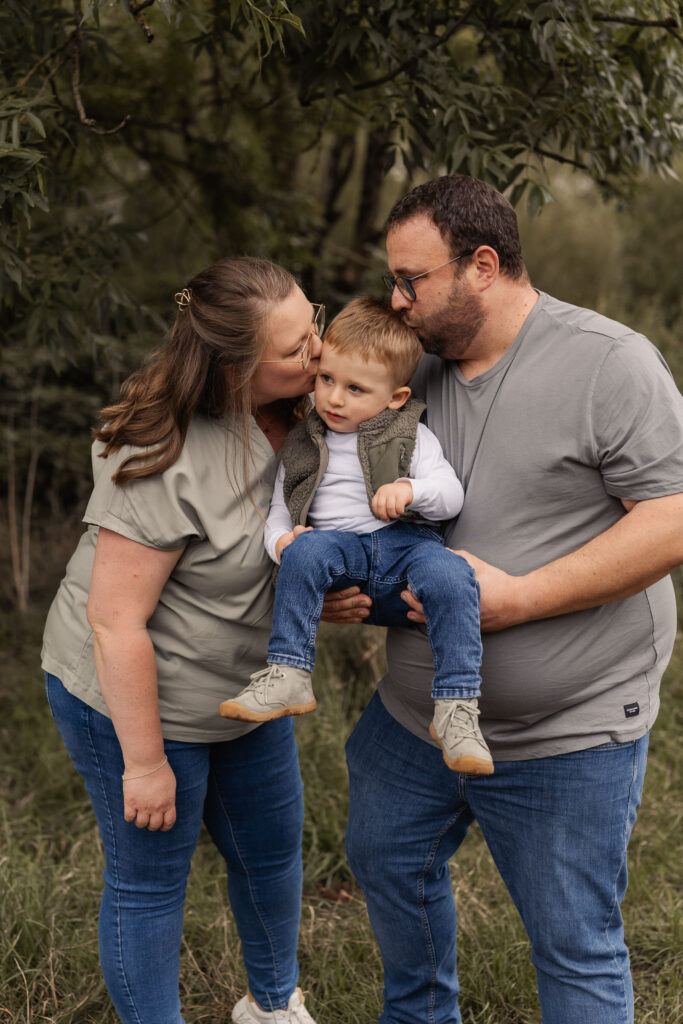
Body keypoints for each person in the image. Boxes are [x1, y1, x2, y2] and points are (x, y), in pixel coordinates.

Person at [327, 176, 683, 1024]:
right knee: (385, 865)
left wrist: (518, 599)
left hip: (564, 730)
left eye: (412, 280)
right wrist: (355, 585)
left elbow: (670, 520)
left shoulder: (608, 362)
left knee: (573, 944)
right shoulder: (412, 369)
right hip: (414, 719)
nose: (395, 298)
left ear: (481, 265)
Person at [41, 257, 323, 1024]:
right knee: (149, 878)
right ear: (236, 368)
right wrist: (144, 764)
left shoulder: (311, 415)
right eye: (298, 347)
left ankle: (270, 1006)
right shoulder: (159, 451)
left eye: (315, 326)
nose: (319, 353)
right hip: (136, 694)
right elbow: (114, 620)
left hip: (243, 688)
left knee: (269, 856)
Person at [219, 296, 492, 774]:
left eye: (355, 388)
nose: (334, 398)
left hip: (406, 548)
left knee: (454, 574)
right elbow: (281, 511)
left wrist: (411, 489)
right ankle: (289, 672)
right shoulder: (305, 441)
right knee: (304, 549)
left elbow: (451, 495)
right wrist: (280, 543)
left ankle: (457, 708)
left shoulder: (411, 436)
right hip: (339, 553)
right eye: (327, 380)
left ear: (395, 398)